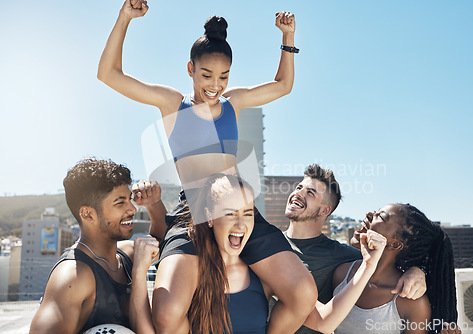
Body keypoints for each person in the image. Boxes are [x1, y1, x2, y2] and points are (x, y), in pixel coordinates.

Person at [99, 2, 317, 332]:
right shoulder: (172, 103)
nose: (215, 85)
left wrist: (287, 38)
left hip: (238, 208)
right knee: (169, 313)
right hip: (193, 212)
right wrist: (125, 17)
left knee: (303, 293)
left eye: (224, 77)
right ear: (190, 68)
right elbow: (108, 74)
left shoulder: (235, 102)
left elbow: (283, 85)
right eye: (206, 75)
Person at [280, 164, 428, 334]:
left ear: (325, 210)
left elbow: (381, 264)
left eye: (310, 192)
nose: (298, 193)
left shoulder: (343, 259)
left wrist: (417, 270)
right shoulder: (267, 246)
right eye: (299, 187)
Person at [133, 174, 288, 333]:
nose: (241, 224)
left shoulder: (263, 276)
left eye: (248, 214)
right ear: (210, 217)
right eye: (230, 213)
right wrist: (139, 272)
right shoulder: (191, 276)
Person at [29, 158, 159, 334]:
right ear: (88, 214)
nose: (132, 209)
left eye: (130, 199)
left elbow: (169, 247)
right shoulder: (72, 277)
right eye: (120, 203)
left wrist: (154, 204)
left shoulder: (129, 253)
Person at [304, 203, 459, 334]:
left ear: (394, 244)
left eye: (381, 217)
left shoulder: (411, 302)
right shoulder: (342, 273)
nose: (369, 214)